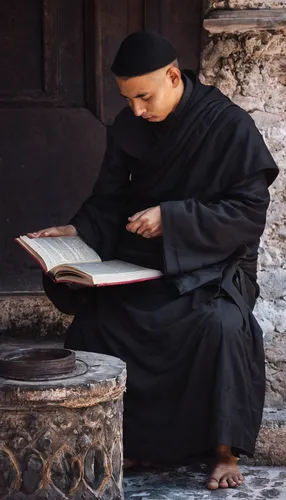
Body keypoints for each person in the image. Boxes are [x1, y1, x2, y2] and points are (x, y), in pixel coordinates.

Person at [28, 32, 279, 490]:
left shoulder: (228, 126)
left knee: (220, 324)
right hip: (143, 264)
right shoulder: (129, 126)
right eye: (129, 99)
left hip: (211, 267)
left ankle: (224, 452)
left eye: (145, 96)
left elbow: (247, 213)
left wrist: (174, 218)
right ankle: (134, 442)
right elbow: (109, 198)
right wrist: (78, 230)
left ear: (172, 75)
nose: (138, 110)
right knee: (99, 322)